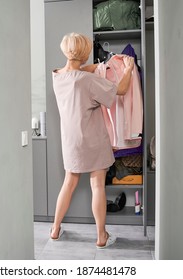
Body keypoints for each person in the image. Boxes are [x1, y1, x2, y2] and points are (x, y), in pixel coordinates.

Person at [50, 32, 134, 249]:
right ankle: (101, 236)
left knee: (68, 184)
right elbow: (122, 90)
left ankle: (55, 229)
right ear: (85, 52)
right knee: (97, 185)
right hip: (93, 140)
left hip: (70, 141)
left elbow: (77, 71)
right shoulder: (88, 80)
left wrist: (98, 66)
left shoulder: (57, 76)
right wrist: (129, 69)